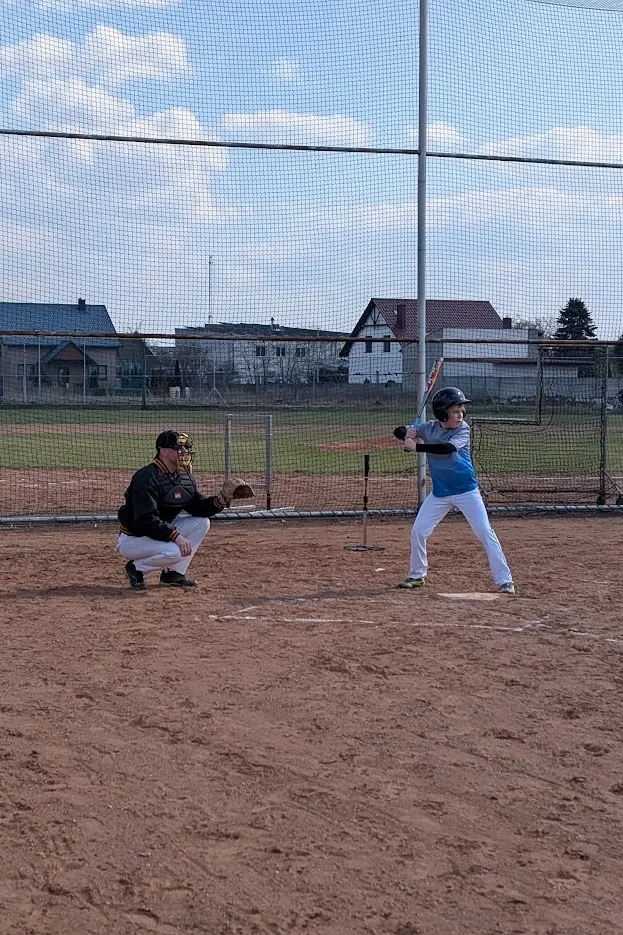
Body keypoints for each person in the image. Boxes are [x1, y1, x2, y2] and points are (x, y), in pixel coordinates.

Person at [394, 387, 515, 594]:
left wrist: (416, 447)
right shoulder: (428, 428)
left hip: (466, 491)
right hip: (440, 493)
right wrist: (409, 433)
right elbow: (398, 431)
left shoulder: (463, 429)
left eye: (461, 410)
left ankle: (505, 581)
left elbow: (447, 449)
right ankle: (416, 576)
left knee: (485, 531)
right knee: (418, 531)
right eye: (455, 411)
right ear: (442, 414)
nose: (461, 415)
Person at [117, 430, 251, 590]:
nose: (185, 452)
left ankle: (172, 573)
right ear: (164, 451)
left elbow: (197, 507)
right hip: (135, 538)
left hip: (158, 533)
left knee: (202, 523)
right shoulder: (147, 477)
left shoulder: (184, 477)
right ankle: (136, 568)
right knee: (176, 551)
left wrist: (220, 500)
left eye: (186, 448)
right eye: (179, 448)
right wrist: (176, 536)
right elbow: (146, 519)